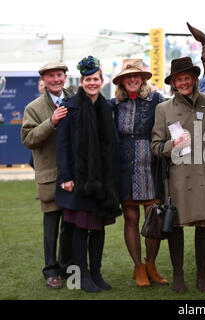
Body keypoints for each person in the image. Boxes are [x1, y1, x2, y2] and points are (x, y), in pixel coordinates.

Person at [152, 57, 205, 293]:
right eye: (179, 79)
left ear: (195, 80)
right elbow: (155, 146)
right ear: (173, 83)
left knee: (204, 227)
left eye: (187, 78)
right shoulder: (162, 109)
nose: (184, 83)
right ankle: (178, 275)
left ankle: (202, 276)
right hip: (178, 177)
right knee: (175, 226)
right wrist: (171, 145)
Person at [55, 56, 122, 292]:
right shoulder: (69, 107)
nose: (92, 83)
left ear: (102, 81)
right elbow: (61, 147)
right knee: (81, 228)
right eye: (87, 79)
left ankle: (96, 274)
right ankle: (82, 276)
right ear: (82, 81)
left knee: (99, 228)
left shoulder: (108, 108)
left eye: (95, 79)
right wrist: (65, 177)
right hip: (78, 179)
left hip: (103, 181)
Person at [111, 58, 168, 287]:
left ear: (143, 78)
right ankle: (138, 267)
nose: (132, 79)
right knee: (131, 218)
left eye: (136, 75)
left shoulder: (156, 100)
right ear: (122, 81)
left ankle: (151, 264)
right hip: (125, 168)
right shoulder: (115, 104)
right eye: (128, 76)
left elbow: (169, 122)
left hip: (151, 166)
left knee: (153, 218)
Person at [21, 61, 74, 289]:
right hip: (50, 177)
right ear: (43, 80)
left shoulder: (76, 100)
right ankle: (50, 271)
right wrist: (50, 122)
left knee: (70, 227)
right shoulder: (33, 108)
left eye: (59, 75)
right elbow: (28, 139)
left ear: (65, 77)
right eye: (50, 76)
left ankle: (66, 268)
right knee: (52, 227)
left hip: (73, 176)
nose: (56, 79)